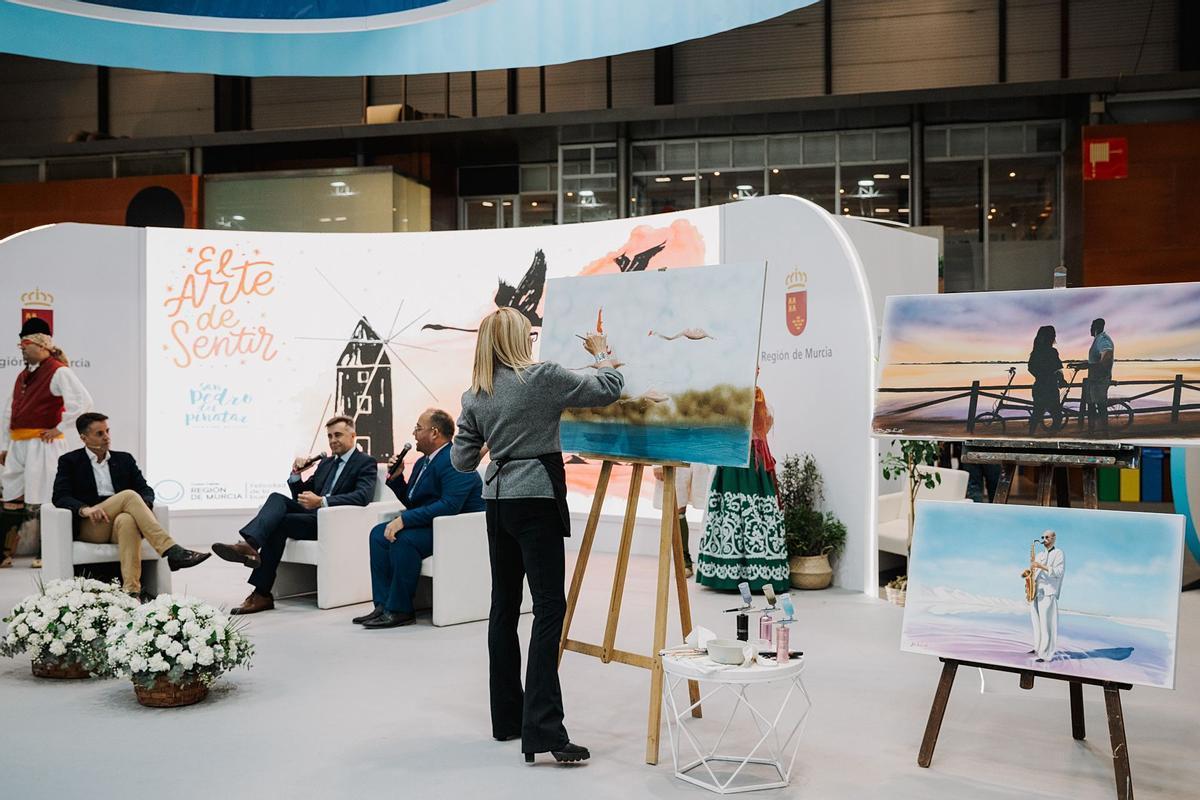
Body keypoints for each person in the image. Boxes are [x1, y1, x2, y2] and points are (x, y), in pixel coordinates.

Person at [451, 307, 623, 765]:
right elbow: (609, 389)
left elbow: (462, 463)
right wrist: (603, 353)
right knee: (549, 607)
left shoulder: (475, 394)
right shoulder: (542, 377)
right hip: (537, 499)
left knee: (504, 606)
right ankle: (545, 729)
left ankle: (508, 719)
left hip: (497, 501)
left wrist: (495, 436)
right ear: (516, 339)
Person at [212, 415, 377, 615]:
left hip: (334, 522)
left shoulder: (365, 462)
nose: (333, 440)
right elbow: (303, 494)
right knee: (276, 498)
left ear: (353, 436)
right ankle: (252, 546)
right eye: (330, 436)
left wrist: (323, 501)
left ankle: (261, 590)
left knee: (278, 525)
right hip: (312, 516)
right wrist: (296, 474)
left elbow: (363, 496)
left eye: (338, 435)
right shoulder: (326, 463)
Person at [51, 412, 209, 595]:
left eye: (108, 431)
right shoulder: (70, 461)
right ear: (84, 438)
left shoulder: (124, 459)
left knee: (128, 520)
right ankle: (171, 551)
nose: (107, 437)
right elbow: (60, 496)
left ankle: (132, 592)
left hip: (118, 524)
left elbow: (146, 491)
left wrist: (140, 509)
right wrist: (84, 510)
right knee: (128, 495)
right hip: (93, 525)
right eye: (100, 433)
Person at [354, 408, 484, 629]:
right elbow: (414, 501)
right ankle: (383, 605)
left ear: (434, 433)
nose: (414, 434)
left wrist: (404, 521)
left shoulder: (456, 460)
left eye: (418, 428)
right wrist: (396, 479)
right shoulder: (423, 462)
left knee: (405, 540)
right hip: (432, 525)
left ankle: (400, 609)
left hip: (456, 529)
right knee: (378, 534)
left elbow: (450, 506)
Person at [1, 317, 92, 569]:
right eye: (20, 345)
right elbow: (9, 412)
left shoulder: (58, 370)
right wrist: (5, 445)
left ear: (41, 345)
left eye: (25, 344)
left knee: (46, 496)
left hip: (44, 445)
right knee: (11, 494)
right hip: (19, 444)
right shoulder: (22, 376)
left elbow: (82, 402)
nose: (21, 349)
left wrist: (59, 428)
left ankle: (47, 550)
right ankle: (5, 552)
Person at [696, 382, 789, 592]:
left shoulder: (750, 397)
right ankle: (749, 572)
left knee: (744, 511)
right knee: (745, 511)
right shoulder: (750, 397)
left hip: (743, 459)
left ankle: (736, 573)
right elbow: (767, 424)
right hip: (739, 460)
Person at [652, 465, 711, 579]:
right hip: (677, 453)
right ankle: (684, 561)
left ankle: (710, 560)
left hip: (704, 455)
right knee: (677, 506)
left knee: (711, 502)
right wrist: (658, 464)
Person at [1023, 529, 1065, 662]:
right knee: (1036, 623)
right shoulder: (1040, 554)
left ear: (1054, 538)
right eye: (1042, 537)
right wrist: (1029, 581)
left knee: (1046, 624)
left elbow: (1059, 572)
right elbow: (1033, 571)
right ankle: (1037, 648)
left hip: (1048, 592)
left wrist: (1040, 565)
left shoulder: (1059, 553)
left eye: (1046, 537)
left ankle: (1046, 654)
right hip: (1036, 592)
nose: (1044, 539)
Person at [1072, 318, 1114, 433]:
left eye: (1091, 327)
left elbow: (1106, 360)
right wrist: (1080, 364)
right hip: (1094, 380)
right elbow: (1095, 361)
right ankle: (1091, 430)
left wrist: (1087, 367)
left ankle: (1104, 432)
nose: (1090, 329)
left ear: (1095, 328)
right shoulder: (1098, 340)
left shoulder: (1103, 340)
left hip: (1100, 380)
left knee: (1100, 407)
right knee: (1091, 405)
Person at [1027, 325, 1065, 435]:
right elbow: (1058, 369)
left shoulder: (1035, 352)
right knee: (1057, 416)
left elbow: (1030, 368)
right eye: (1054, 335)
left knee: (1037, 414)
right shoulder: (1052, 352)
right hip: (1051, 388)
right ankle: (1051, 437)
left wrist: (1040, 376)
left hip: (1039, 387)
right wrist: (1060, 379)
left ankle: (1030, 436)